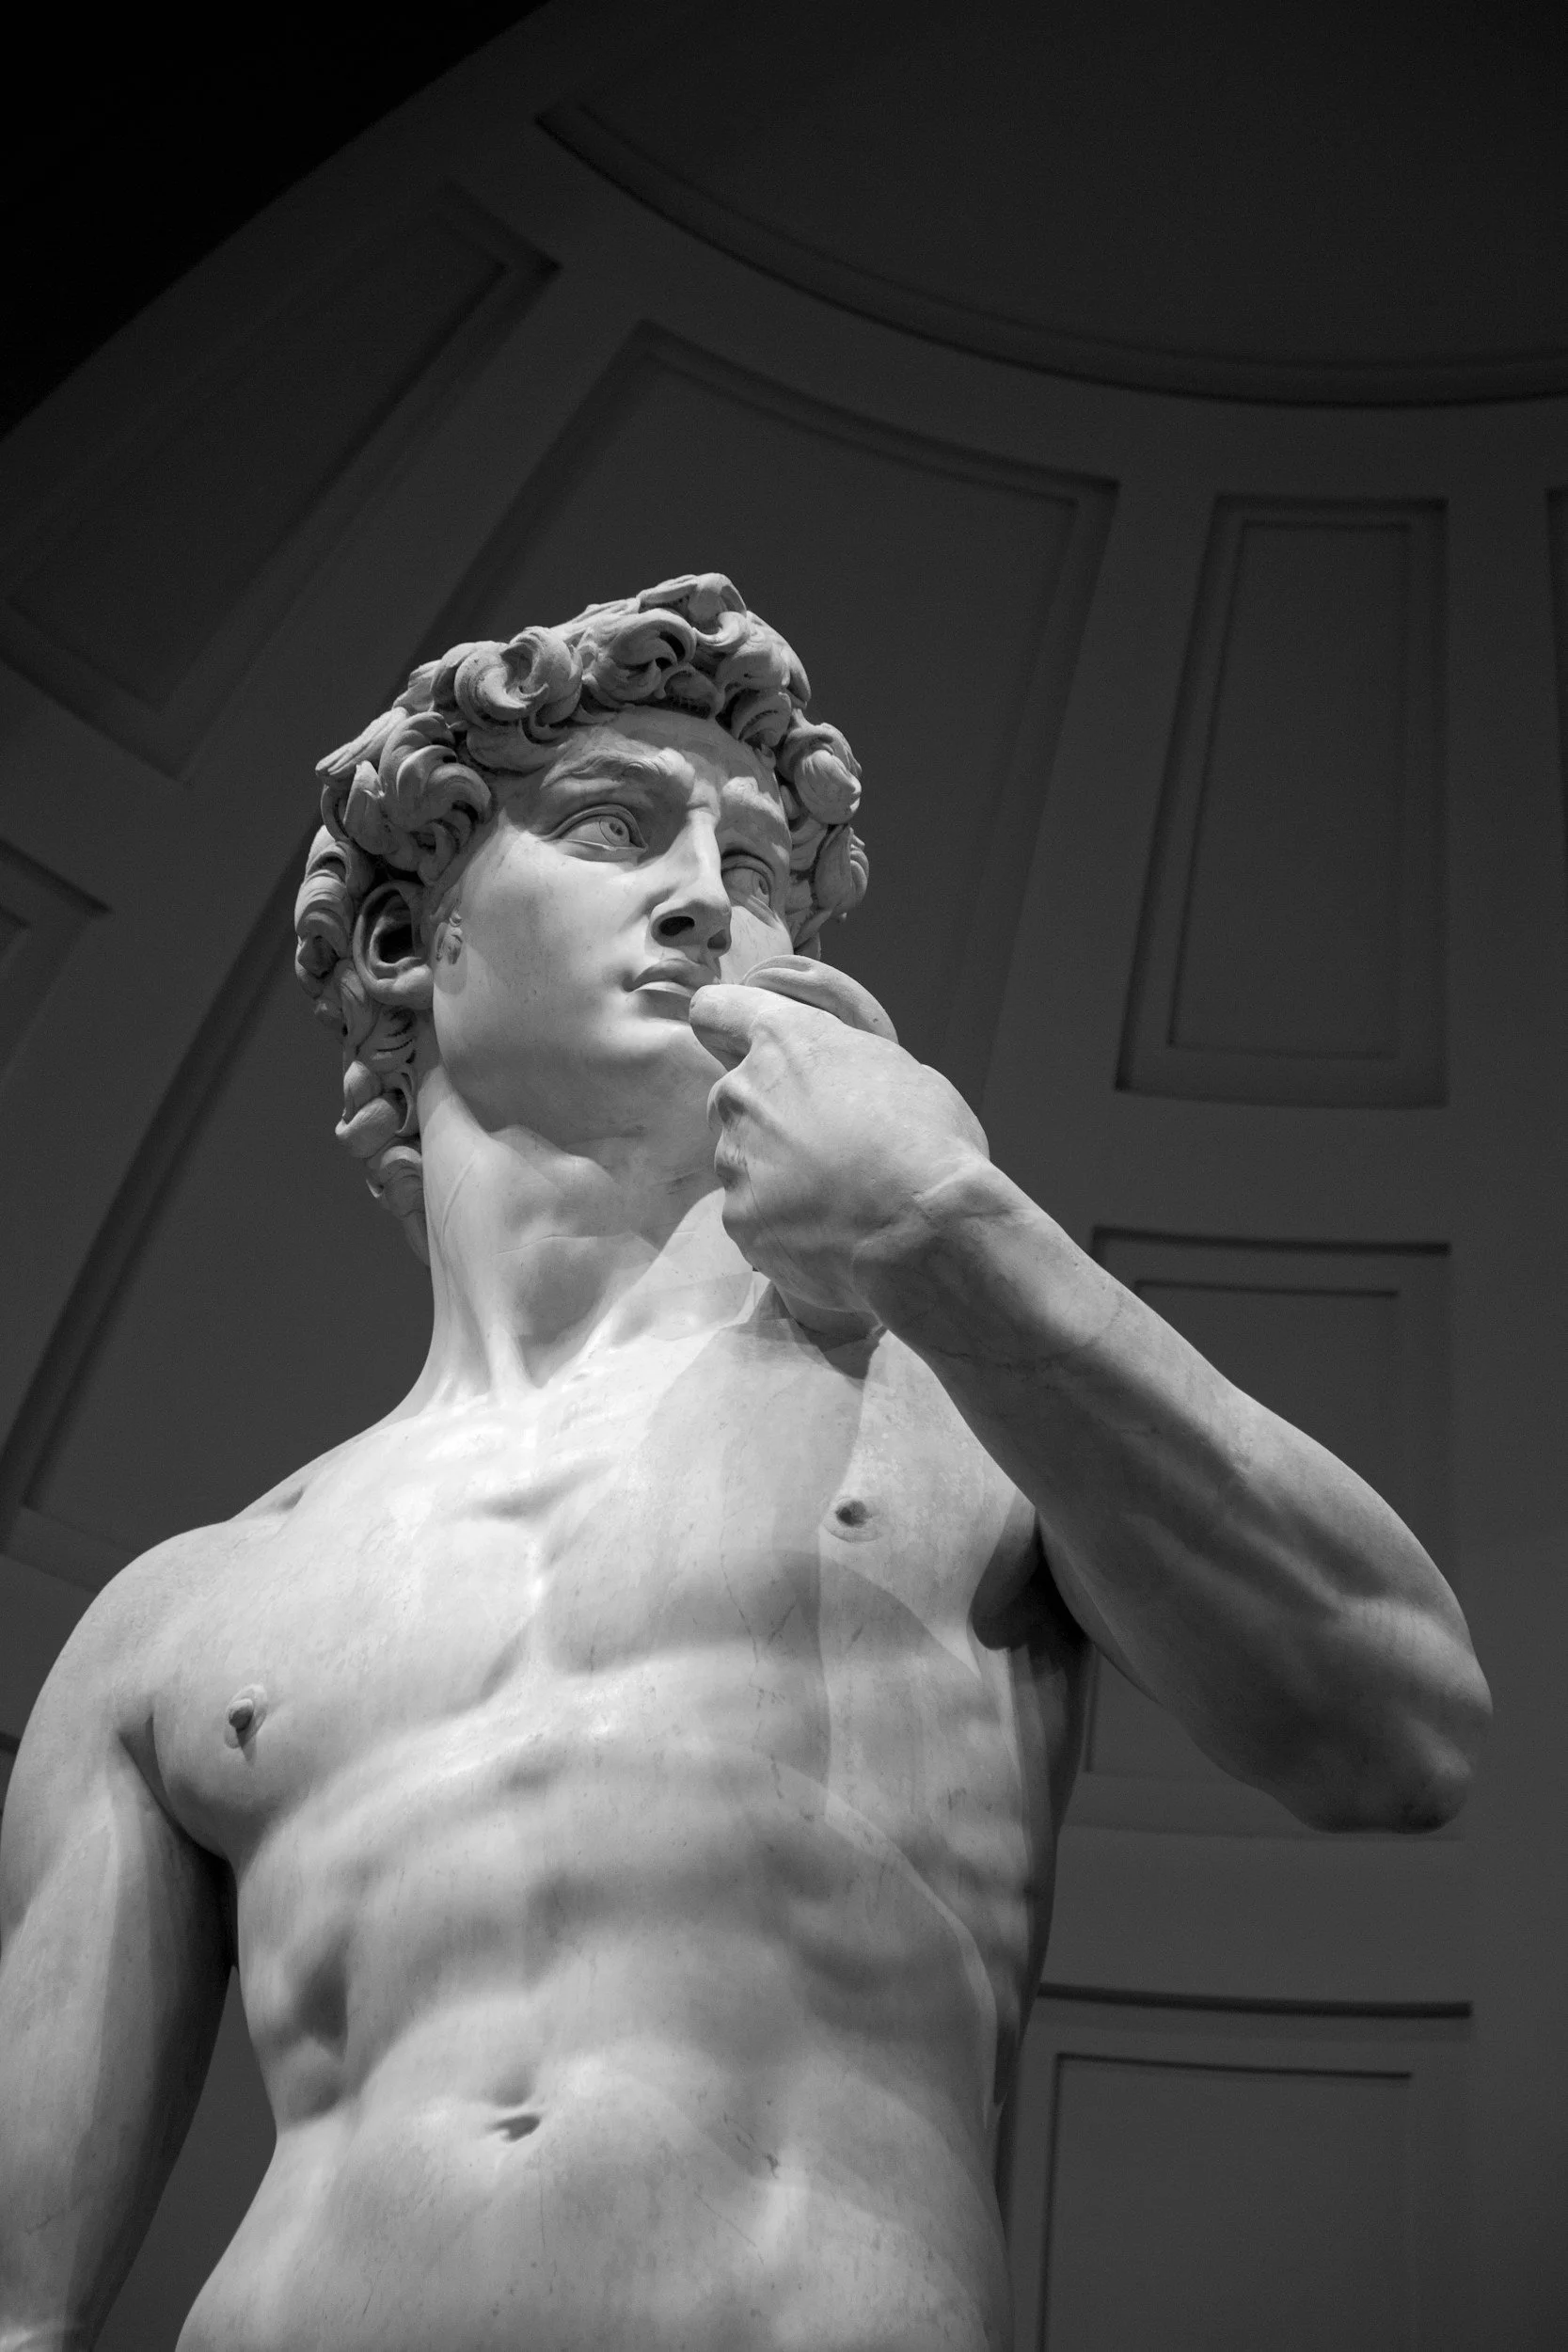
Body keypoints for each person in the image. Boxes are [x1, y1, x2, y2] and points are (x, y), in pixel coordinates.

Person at [0, 575, 1489, 2352]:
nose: (710, 900)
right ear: (407, 942)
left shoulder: (964, 1403)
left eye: (764, 870)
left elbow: (1398, 1725)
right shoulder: (185, 1609)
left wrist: (948, 1229)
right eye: (614, 827)